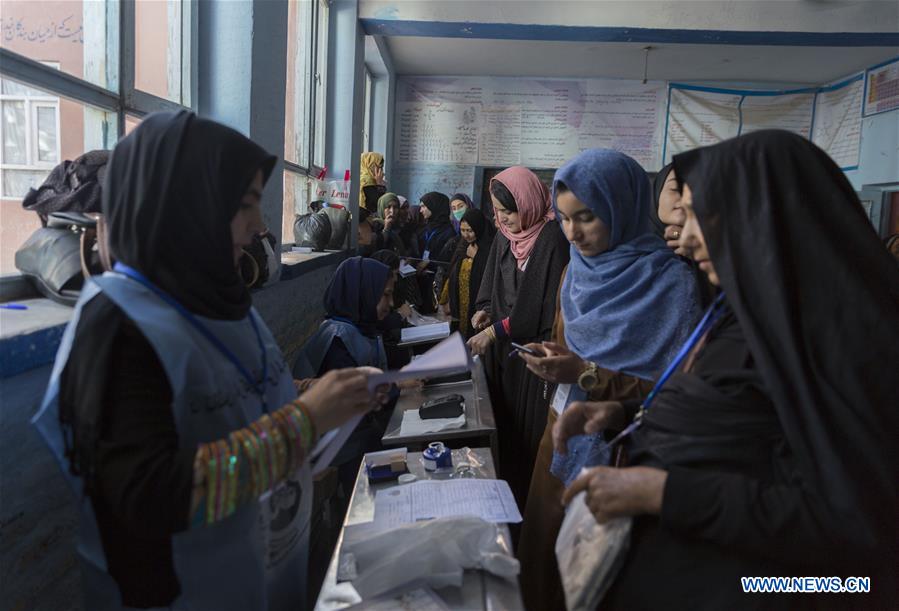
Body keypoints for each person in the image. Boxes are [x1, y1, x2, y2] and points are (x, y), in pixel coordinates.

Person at [32, 111, 382, 610]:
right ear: (182, 206)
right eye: (244, 206)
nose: (260, 227)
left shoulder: (221, 300)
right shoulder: (118, 326)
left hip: (257, 578)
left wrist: (331, 394)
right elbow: (148, 497)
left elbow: (238, 396)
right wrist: (304, 424)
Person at [555, 131, 899, 609]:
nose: (685, 234)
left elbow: (857, 535)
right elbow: (737, 407)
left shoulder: (847, 341)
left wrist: (666, 493)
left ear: (765, 216)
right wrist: (621, 411)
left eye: (699, 214)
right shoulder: (744, 312)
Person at [514, 149, 700, 610]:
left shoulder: (673, 284)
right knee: (540, 567)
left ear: (624, 207)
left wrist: (585, 373)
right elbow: (569, 347)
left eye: (588, 217)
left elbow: (680, 392)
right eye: (564, 218)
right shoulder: (573, 273)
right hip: (558, 442)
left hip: (625, 457)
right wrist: (556, 359)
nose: (574, 233)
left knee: (594, 580)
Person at [468, 166, 570, 507]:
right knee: (503, 425)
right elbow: (491, 285)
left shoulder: (552, 238)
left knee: (527, 435)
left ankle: (522, 504)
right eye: (497, 211)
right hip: (501, 354)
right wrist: (484, 309)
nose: (502, 219)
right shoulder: (503, 237)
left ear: (527, 204)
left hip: (531, 356)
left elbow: (540, 306)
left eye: (509, 211)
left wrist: (496, 330)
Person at [293, 256, 397, 491]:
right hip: (339, 450)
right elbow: (358, 394)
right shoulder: (338, 338)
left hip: (356, 436)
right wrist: (402, 383)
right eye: (386, 295)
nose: (390, 303)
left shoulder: (362, 329)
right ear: (364, 293)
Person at [652, 163, 718, 308]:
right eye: (675, 189)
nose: (683, 199)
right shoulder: (634, 238)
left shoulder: (717, 243)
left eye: (693, 191)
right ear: (657, 192)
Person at [439, 208, 494, 338]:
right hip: (460, 302)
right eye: (463, 230)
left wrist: (478, 257)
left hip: (477, 303)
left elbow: (491, 273)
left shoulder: (490, 247)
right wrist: (445, 299)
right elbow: (452, 272)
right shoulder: (462, 245)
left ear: (479, 228)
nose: (466, 235)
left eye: (470, 230)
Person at [416, 192, 457, 312]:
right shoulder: (426, 228)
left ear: (434, 207)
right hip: (421, 279)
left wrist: (429, 263)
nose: (421, 210)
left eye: (424, 206)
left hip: (436, 283)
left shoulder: (449, 232)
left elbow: (446, 261)